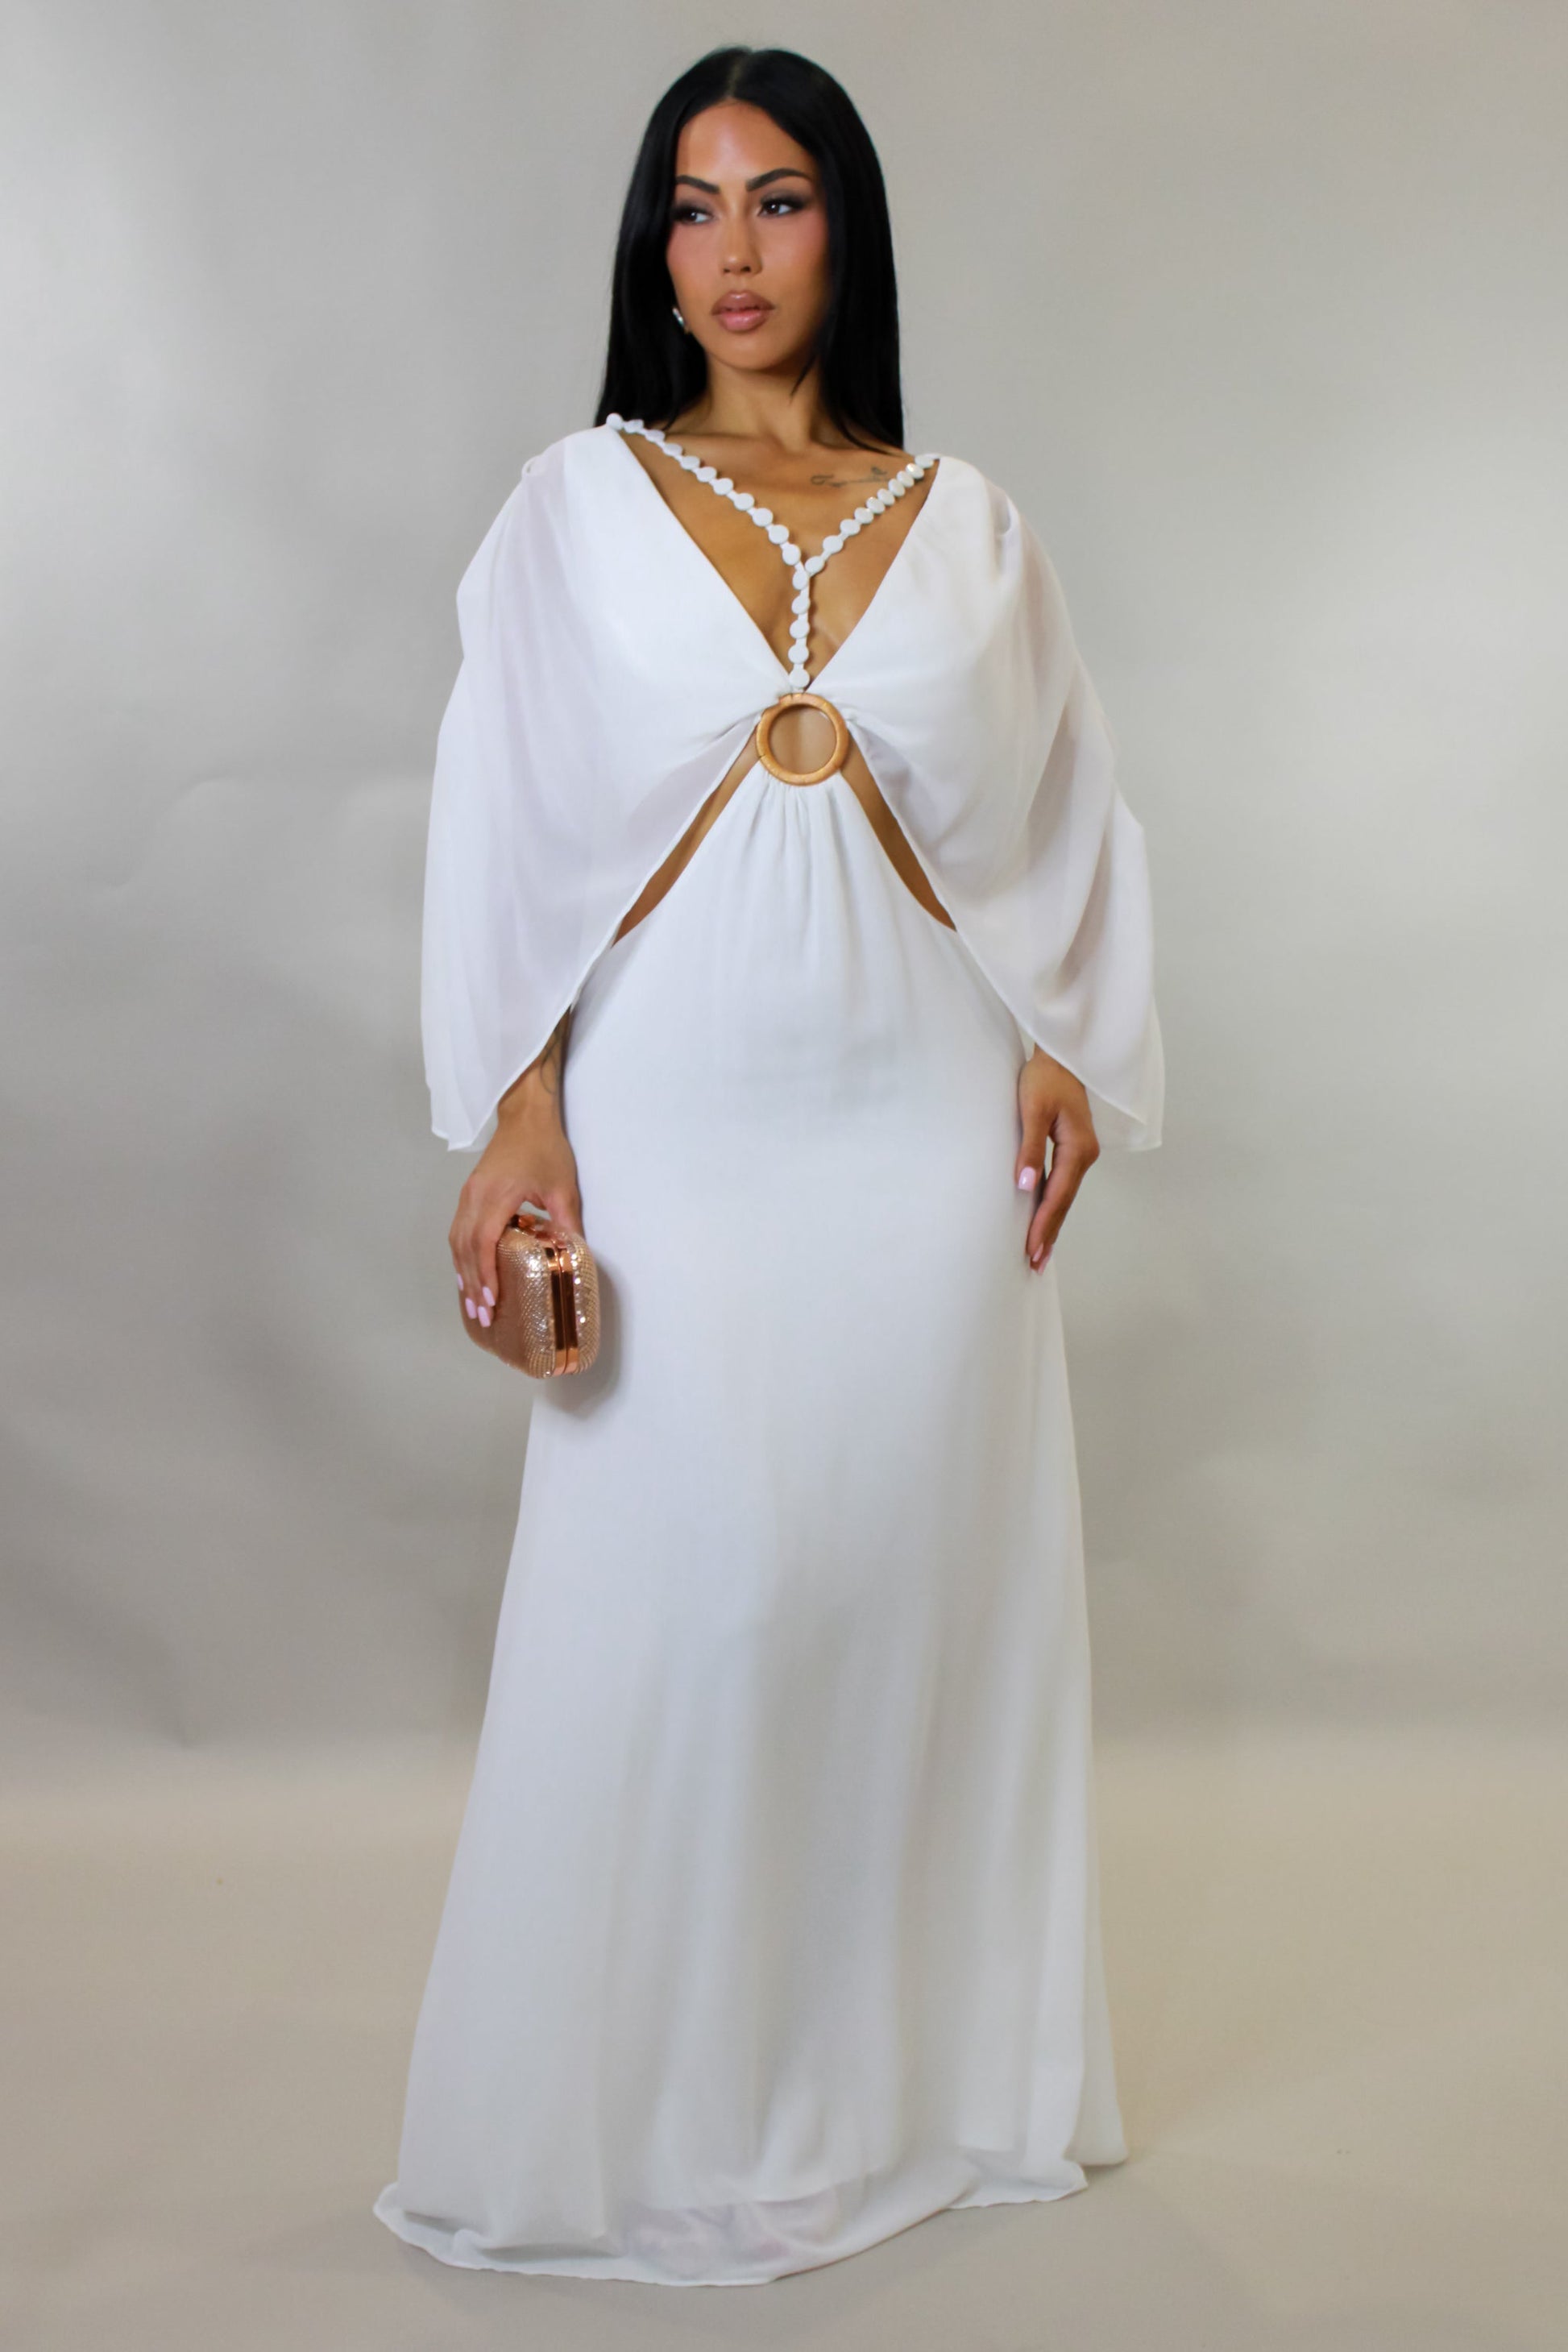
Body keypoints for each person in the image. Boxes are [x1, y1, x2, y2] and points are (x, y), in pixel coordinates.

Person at [373, 44, 1164, 2288]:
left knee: (901, 1594)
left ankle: (892, 2096)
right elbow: (503, 812)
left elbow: (1060, 802)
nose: (734, 251)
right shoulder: (573, 504)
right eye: (696, 206)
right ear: (654, 249)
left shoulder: (968, 521)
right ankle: (661, 2115)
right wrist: (520, 1104)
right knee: (700, 1598)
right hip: (676, 1108)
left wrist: (1062, 1039)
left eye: (782, 199)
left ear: (847, 231)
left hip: (915, 1121)